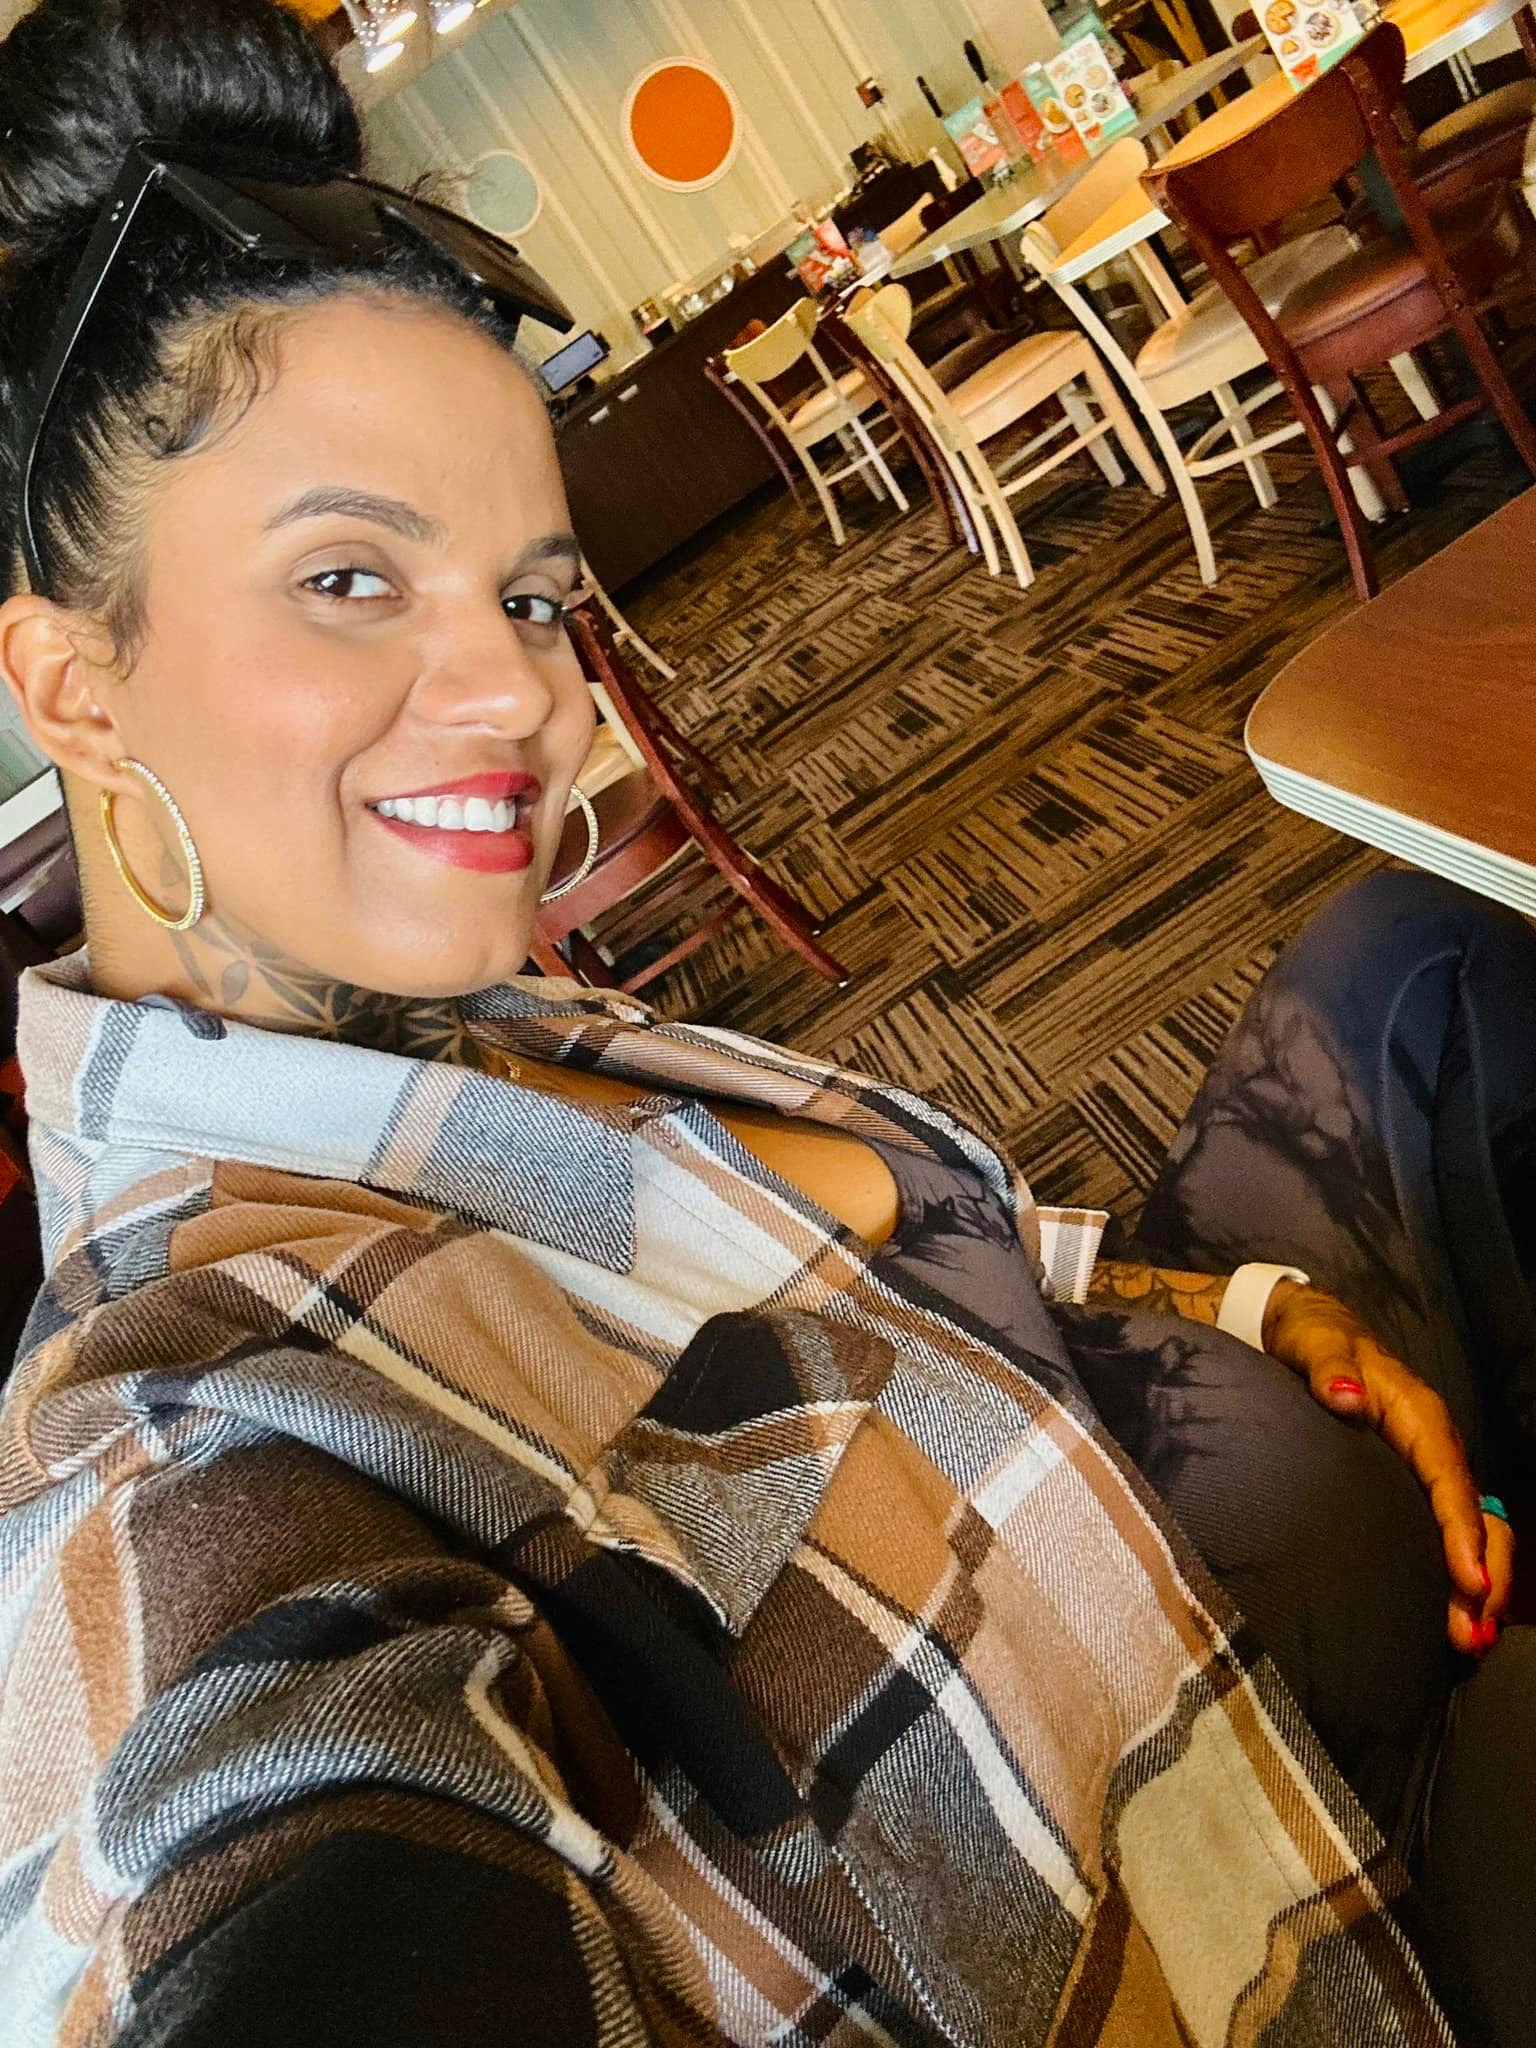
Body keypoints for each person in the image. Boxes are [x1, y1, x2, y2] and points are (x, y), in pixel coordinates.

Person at [0, 3, 1531, 2043]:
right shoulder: (182, 1436)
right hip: (1320, 1893)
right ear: (75, 684)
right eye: (350, 576)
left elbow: (895, 1242)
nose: (529, 697)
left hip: (1185, 1428)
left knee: (1415, 945)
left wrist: (1246, 1305)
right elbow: (263, 1851)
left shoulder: (442, 1019)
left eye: (531, 595)